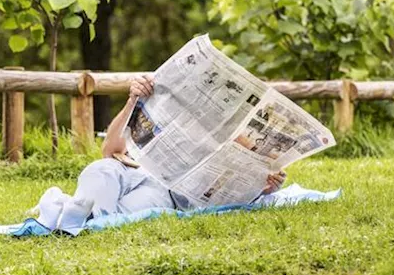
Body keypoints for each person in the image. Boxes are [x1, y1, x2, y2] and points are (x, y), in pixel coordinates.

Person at [33, 74, 287, 231]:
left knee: (129, 210)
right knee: (100, 169)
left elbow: (248, 179)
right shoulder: (160, 103)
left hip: (166, 193)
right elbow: (110, 151)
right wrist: (133, 101)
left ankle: (78, 216)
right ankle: (80, 214)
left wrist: (265, 185)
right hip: (132, 168)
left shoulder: (236, 136)